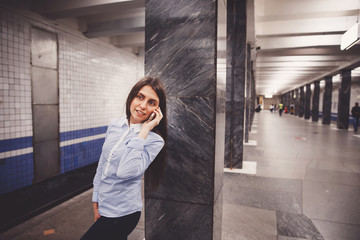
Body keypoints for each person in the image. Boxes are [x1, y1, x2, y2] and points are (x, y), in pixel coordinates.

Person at [80, 76, 167, 240]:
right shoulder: (114, 125)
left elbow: (125, 172)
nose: (142, 105)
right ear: (132, 97)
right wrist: (96, 199)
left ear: (157, 110)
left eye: (151, 102)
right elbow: (102, 165)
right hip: (104, 206)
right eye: (140, 97)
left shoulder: (154, 140)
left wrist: (145, 129)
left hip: (123, 213)